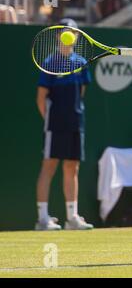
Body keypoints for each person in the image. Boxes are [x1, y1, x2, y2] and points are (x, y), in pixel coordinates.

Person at [35, 18, 94, 231]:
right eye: (65, 31)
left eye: (73, 32)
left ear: (77, 37)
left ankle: (72, 218)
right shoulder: (50, 62)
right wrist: (50, 121)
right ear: (58, 35)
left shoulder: (80, 63)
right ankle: (42, 219)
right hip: (55, 124)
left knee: (72, 167)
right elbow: (41, 98)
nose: (69, 35)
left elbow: (81, 93)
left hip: (76, 122)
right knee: (49, 166)